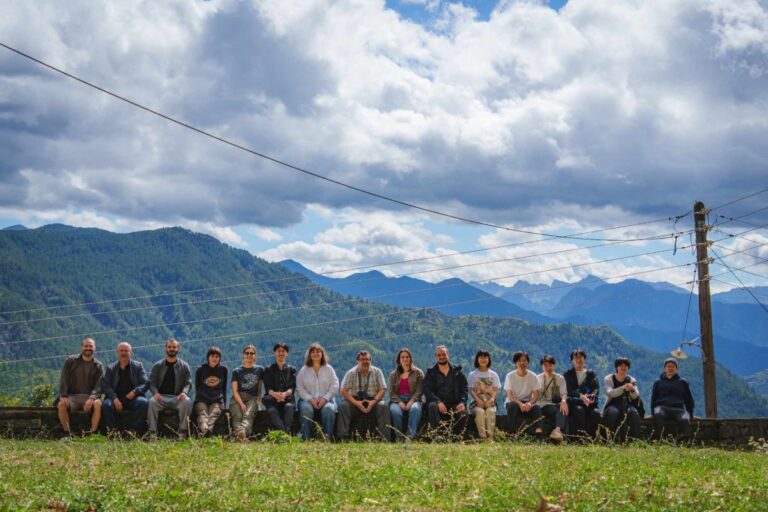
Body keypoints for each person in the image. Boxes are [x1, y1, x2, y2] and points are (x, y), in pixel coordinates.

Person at [57, 337, 104, 439]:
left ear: (94, 348)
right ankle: (67, 434)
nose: (88, 348)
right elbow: (64, 378)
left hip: (89, 397)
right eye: (86, 346)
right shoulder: (71, 361)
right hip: (72, 396)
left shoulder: (98, 365)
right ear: (81, 347)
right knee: (61, 404)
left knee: (98, 404)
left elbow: (98, 385)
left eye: (90, 346)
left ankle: (93, 434)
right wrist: (63, 395)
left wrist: (91, 398)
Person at [337, 350, 389, 441]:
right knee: (343, 406)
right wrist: (356, 403)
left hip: (373, 399)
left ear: (371, 361)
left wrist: (373, 402)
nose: (365, 361)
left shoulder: (377, 372)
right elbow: (343, 391)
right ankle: (343, 438)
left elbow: (383, 389)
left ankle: (384, 438)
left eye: (367, 359)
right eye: (362, 359)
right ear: (357, 361)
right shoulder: (351, 373)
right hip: (355, 400)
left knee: (383, 406)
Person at [148, 339, 193, 440]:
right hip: (161, 397)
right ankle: (153, 433)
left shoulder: (184, 366)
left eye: (174, 347)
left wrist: (184, 393)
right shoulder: (158, 365)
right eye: (169, 347)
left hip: (177, 397)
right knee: (151, 402)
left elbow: (188, 383)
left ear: (178, 349)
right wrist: (155, 393)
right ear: (166, 349)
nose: (171, 349)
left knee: (187, 402)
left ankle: (183, 432)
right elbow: (152, 383)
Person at [102, 342, 149, 436]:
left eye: (126, 350)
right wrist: (114, 398)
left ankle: (136, 432)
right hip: (115, 398)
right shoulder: (110, 368)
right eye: (121, 350)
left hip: (133, 398)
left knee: (143, 403)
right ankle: (111, 432)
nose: (123, 353)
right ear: (117, 352)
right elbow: (106, 386)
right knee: (107, 405)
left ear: (130, 353)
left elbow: (145, 383)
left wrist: (135, 392)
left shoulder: (138, 366)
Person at [296, 342, 338, 440]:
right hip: (307, 400)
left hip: (327, 400)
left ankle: (327, 437)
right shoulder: (304, 370)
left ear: (322, 354)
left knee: (329, 409)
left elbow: (335, 385)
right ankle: (307, 438)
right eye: (313, 352)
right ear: (309, 354)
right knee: (306, 409)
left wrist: (325, 399)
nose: (316, 354)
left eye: (318, 351)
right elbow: (300, 387)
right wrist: (310, 400)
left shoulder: (329, 369)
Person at [423, 345, 468, 432]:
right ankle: (436, 435)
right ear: (436, 357)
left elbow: (464, 389)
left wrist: (462, 402)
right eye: (439, 355)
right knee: (432, 406)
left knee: (463, 412)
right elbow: (427, 390)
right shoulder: (431, 373)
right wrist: (438, 402)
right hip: (437, 403)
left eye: (444, 354)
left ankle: (456, 436)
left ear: (448, 355)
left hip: (454, 403)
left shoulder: (457, 372)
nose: (441, 357)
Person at [651, 358, 694, 440]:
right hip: (662, 408)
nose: (670, 368)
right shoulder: (658, 382)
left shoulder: (683, 382)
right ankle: (659, 439)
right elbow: (653, 398)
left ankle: (682, 441)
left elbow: (688, 399)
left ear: (676, 369)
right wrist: (653, 412)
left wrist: (690, 414)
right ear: (664, 369)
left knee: (685, 418)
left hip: (679, 409)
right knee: (658, 414)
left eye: (673, 367)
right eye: (668, 366)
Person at [563, 349, 601, 440]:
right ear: (572, 360)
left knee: (595, 413)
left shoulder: (591, 374)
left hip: (589, 403)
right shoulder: (568, 374)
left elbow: (596, 389)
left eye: (581, 357)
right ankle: (580, 438)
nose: (578, 360)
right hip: (575, 403)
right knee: (579, 410)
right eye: (575, 358)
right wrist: (581, 397)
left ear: (585, 359)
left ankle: (592, 439)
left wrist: (590, 397)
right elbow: (568, 390)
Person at [387, 348, 424, 441]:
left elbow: (420, 390)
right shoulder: (393, 374)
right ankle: (399, 437)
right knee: (395, 411)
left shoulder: (418, 372)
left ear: (410, 359)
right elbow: (391, 392)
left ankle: (410, 437)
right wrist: (400, 402)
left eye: (407, 357)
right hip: (397, 400)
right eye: (402, 357)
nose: (405, 359)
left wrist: (411, 401)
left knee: (415, 409)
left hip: (414, 399)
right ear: (399, 360)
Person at [504, 351, 542, 437]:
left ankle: (539, 434)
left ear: (527, 362)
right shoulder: (510, 376)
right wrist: (520, 404)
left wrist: (530, 403)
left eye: (524, 360)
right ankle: (512, 433)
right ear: (515, 363)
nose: (522, 363)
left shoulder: (533, 376)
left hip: (527, 403)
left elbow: (535, 395)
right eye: (519, 361)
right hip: (514, 402)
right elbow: (510, 396)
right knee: (513, 406)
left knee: (536, 408)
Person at [603, 357, 641, 442]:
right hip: (613, 403)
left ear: (628, 367)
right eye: (621, 365)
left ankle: (635, 440)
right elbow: (610, 393)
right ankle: (610, 439)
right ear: (617, 367)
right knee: (613, 413)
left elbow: (636, 396)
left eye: (625, 366)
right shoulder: (609, 378)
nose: (623, 367)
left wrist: (632, 389)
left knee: (634, 413)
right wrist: (623, 388)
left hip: (627, 404)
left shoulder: (631, 379)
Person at [262, 342, 297, 434]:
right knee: (272, 410)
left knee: (289, 407)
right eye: (278, 351)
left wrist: (284, 394)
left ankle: (284, 434)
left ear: (287, 353)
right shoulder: (268, 369)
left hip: (287, 398)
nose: (281, 353)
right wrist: (276, 395)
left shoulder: (292, 369)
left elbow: (292, 387)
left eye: (283, 351)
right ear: (275, 353)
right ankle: (286, 434)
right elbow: (268, 387)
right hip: (272, 399)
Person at [230, 344, 263, 442]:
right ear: (243, 355)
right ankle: (241, 436)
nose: (249, 355)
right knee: (237, 416)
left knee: (248, 415)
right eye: (247, 353)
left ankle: (242, 433)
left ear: (255, 356)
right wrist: (241, 404)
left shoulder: (260, 370)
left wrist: (259, 401)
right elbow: (235, 391)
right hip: (237, 397)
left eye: (251, 353)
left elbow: (260, 388)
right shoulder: (236, 371)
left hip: (252, 397)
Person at [194, 347, 228, 436]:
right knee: (202, 413)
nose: (214, 358)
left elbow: (224, 388)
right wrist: (197, 399)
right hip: (202, 399)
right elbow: (197, 387)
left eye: (217, 356)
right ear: (208, 357)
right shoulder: (200, 369)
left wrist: (224, 403)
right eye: (212, 356)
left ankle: (205, 431)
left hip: (217, 400)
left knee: (213, 414)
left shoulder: (223, 370)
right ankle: (205, 430)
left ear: (219, 358)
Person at [467, 349, 501, 441]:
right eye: (481, 357)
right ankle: (482, 437)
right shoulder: (472, 374)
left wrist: (492, 399)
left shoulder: (493, 374)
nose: (483, 359)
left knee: (490, 411)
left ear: (489, 359)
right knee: (480, 412)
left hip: (490, 402)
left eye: (485, 357)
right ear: (477, 359)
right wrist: (478, 400)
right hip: (475, 403)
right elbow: (471, 390)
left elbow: (496, 389)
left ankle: (490, 437)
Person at [536, 355, 568, 443]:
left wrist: (564, 401)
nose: (548, 368)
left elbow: (564, 393)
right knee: (560, 411)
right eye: (545, 366)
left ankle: (557, 431)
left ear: (554, 365)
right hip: (542, 404)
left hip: (555, 403)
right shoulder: (538, 378)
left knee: (564, 408)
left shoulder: (560, 378)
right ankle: (562, 436)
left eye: (550, 365)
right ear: (542, 366)